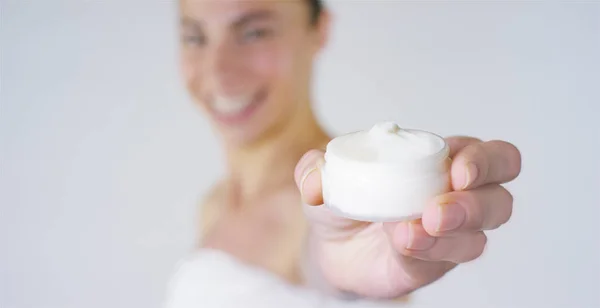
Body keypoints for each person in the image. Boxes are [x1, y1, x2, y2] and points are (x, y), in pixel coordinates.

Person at [168, 0, 522, 305]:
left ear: (319, 30)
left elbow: (330, 249)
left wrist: (345, 269)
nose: (218, 70)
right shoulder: (214, 204)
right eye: (195, 37)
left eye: (254, 33)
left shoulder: (348, 205)